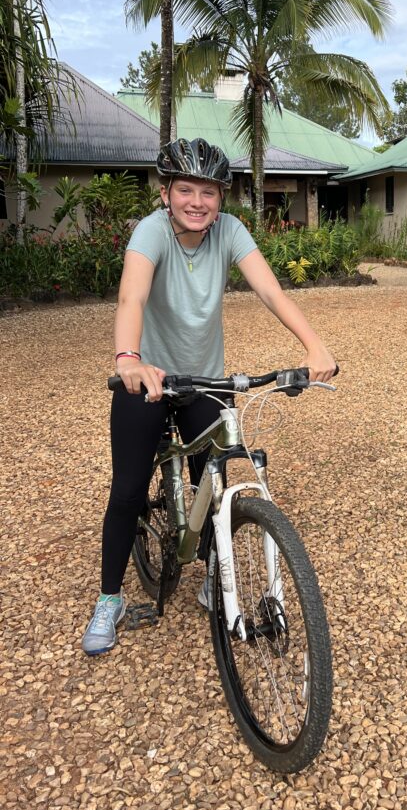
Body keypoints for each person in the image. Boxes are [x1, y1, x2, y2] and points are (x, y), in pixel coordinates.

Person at [83, 137, 336, 654]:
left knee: (214, 485)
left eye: (209, 192)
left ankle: (212, 576)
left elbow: (270, 290)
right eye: (186, 190)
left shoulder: (229, 232)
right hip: (147, 376)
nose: (197, 202)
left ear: (222, 198)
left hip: (205, 378)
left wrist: (313, 346)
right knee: (128, 490)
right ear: (165, 192)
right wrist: (128, 358)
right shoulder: (150, 233)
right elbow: (131, 295)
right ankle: (109, 598)